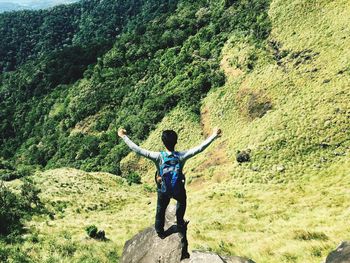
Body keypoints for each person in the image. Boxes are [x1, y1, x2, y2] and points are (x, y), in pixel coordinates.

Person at [118, 127, 222, 238]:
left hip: (164, 189)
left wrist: (124, 136)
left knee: (160, 210)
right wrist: (214, 135)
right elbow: (199, 148)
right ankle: (180, 223)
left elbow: (138, 150)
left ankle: (160, 231)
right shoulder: (181, 156)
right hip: (178, 188)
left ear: (163, 142)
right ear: (176, 142)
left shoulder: (158, 157)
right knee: (182, 202)